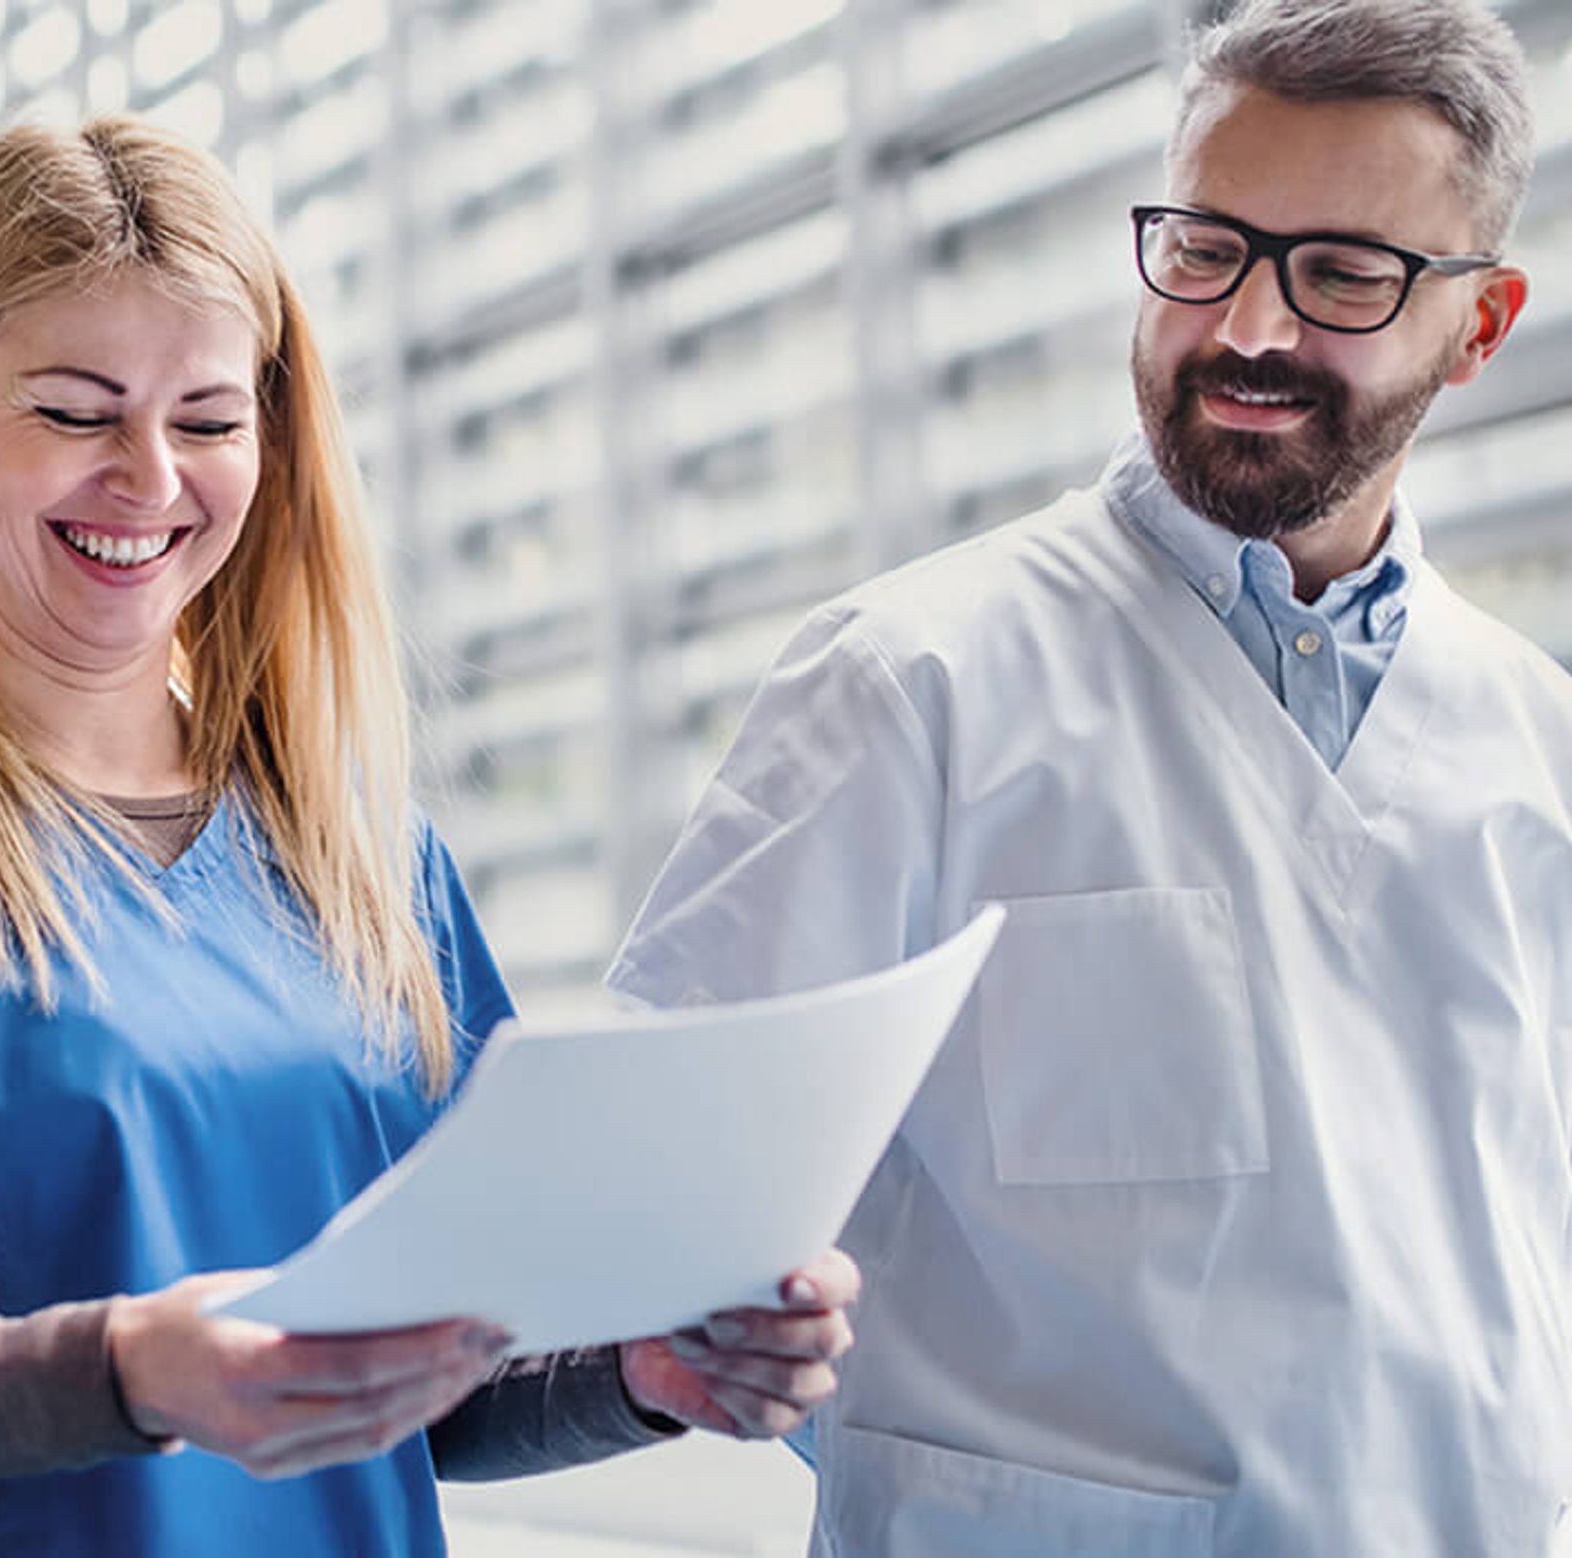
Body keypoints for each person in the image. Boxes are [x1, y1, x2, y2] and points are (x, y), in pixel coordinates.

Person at [0, 115, 858, 1556]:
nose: (148, 478)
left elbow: (429, 1371)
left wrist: (641, 1376)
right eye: (76, 412)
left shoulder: (362, 846)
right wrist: (125, 1370)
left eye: (206, 420)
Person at [608, 1, 1571, 1552]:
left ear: (1480, 324)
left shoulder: (1538, 744)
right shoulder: (906, 684)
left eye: (1339, 273)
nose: (1249, 327)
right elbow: (642, 1222)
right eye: (1207, 249)